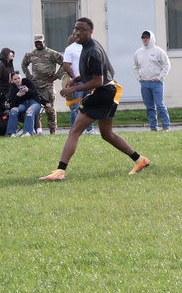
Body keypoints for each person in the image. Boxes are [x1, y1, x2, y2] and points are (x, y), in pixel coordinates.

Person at [41, 18, 150, 181]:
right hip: (108, 91)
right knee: (107, 134)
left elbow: (98, 81)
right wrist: (76, 80)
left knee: (75, 131)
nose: (78, 32)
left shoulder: (92, 51)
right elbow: (93, 74)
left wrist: (73, 89)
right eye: (76, 28)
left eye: (82, 29)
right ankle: (140, 160)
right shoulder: (87, 46)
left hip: (103, 93)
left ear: (90, 31)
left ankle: (60, 171)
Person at [21, 35, 65, 134]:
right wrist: (28, 75)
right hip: (35, 85)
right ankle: (37, 130)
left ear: (44, 42)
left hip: (47, 85)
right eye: (36, 42)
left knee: (49, 108)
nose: (38, 44)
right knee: (35, 108)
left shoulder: (52, 54)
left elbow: (64, 63)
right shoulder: (31, 54)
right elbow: (24, 64)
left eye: (40, 42)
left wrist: (57, 76)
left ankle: (52, 129)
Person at [133, 30, 171, 131]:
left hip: (156, 83)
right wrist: (139, 78)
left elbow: (166, 65)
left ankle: (166, 126)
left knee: (159, 104)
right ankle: (153, 127)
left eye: (147, 37)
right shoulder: (138, 52)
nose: (145, 40)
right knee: (149, 106)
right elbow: (135, 66)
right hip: (144, 83)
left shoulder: (158, 51)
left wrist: (160, 77)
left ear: (151, 38)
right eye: (143, 38)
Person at [62, 33, 94, 134]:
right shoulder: (70, 49)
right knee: (76, 107)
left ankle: (90, 129)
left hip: (88, 81)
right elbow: (67, 65)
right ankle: (74, 130)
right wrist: (74, 78)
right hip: (77, 82)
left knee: (88, 105)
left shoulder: (88, 47)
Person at [5, 71, 41, 137]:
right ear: (12, 81)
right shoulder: (13, 89)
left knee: (29, 110)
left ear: (21, 77)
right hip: (23, 104)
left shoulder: (27, 81)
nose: (18, 80)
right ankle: (12, 133)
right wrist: (17, 96)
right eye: (15, 79)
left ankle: (28, 132)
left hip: (34, 102)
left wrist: (28, 90)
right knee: (13, 111)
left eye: (19, 78)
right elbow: (12, 102)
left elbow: (36, 93)